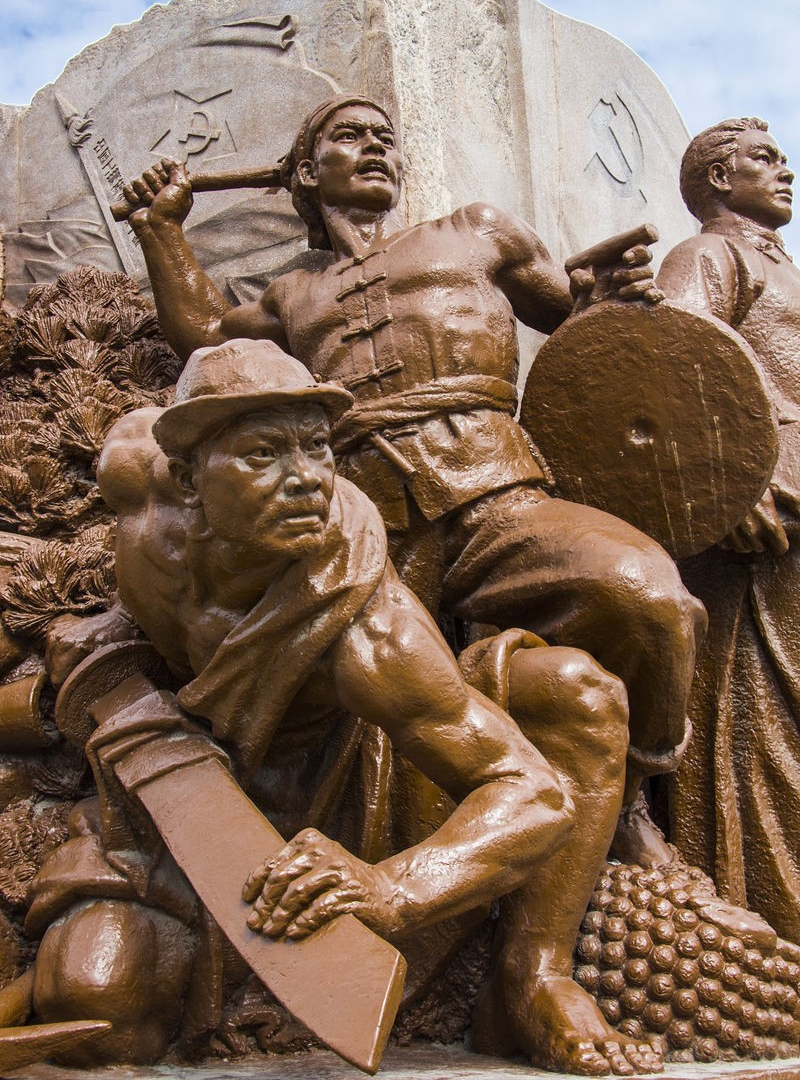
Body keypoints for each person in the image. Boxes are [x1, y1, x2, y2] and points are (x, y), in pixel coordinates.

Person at [28, 339, 659, 1077]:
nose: (306, 478)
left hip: (347, 782)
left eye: (317, 446)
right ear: (188, 477)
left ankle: (532, 977)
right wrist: (107, 637)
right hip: (173, 769)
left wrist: (392, 886)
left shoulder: (365, 627)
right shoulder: (134, 469)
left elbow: (536, 793)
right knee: (96, 1005)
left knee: (574, 691)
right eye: (264, 453)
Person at [120, 95, 707, 866]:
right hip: (372, 533)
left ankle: (628, 799)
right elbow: (204, 340)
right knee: (377, 718)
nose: (375, 147)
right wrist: (161, 231)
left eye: (385, 137)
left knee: (653, 600)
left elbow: (576, 325)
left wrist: (601, 300)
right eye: (349, 136)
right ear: (306, 172)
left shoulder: (476, 231)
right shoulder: (292, 293)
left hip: (499, 498)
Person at [656, 118, 800, 943]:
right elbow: (676, 356)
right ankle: (764, 917)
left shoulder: (781, 266)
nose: (786, 170)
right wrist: (724, 485)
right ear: (718, 178)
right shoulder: (709, 255)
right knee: (754, 727)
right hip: (758, 522)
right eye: (764, 159)